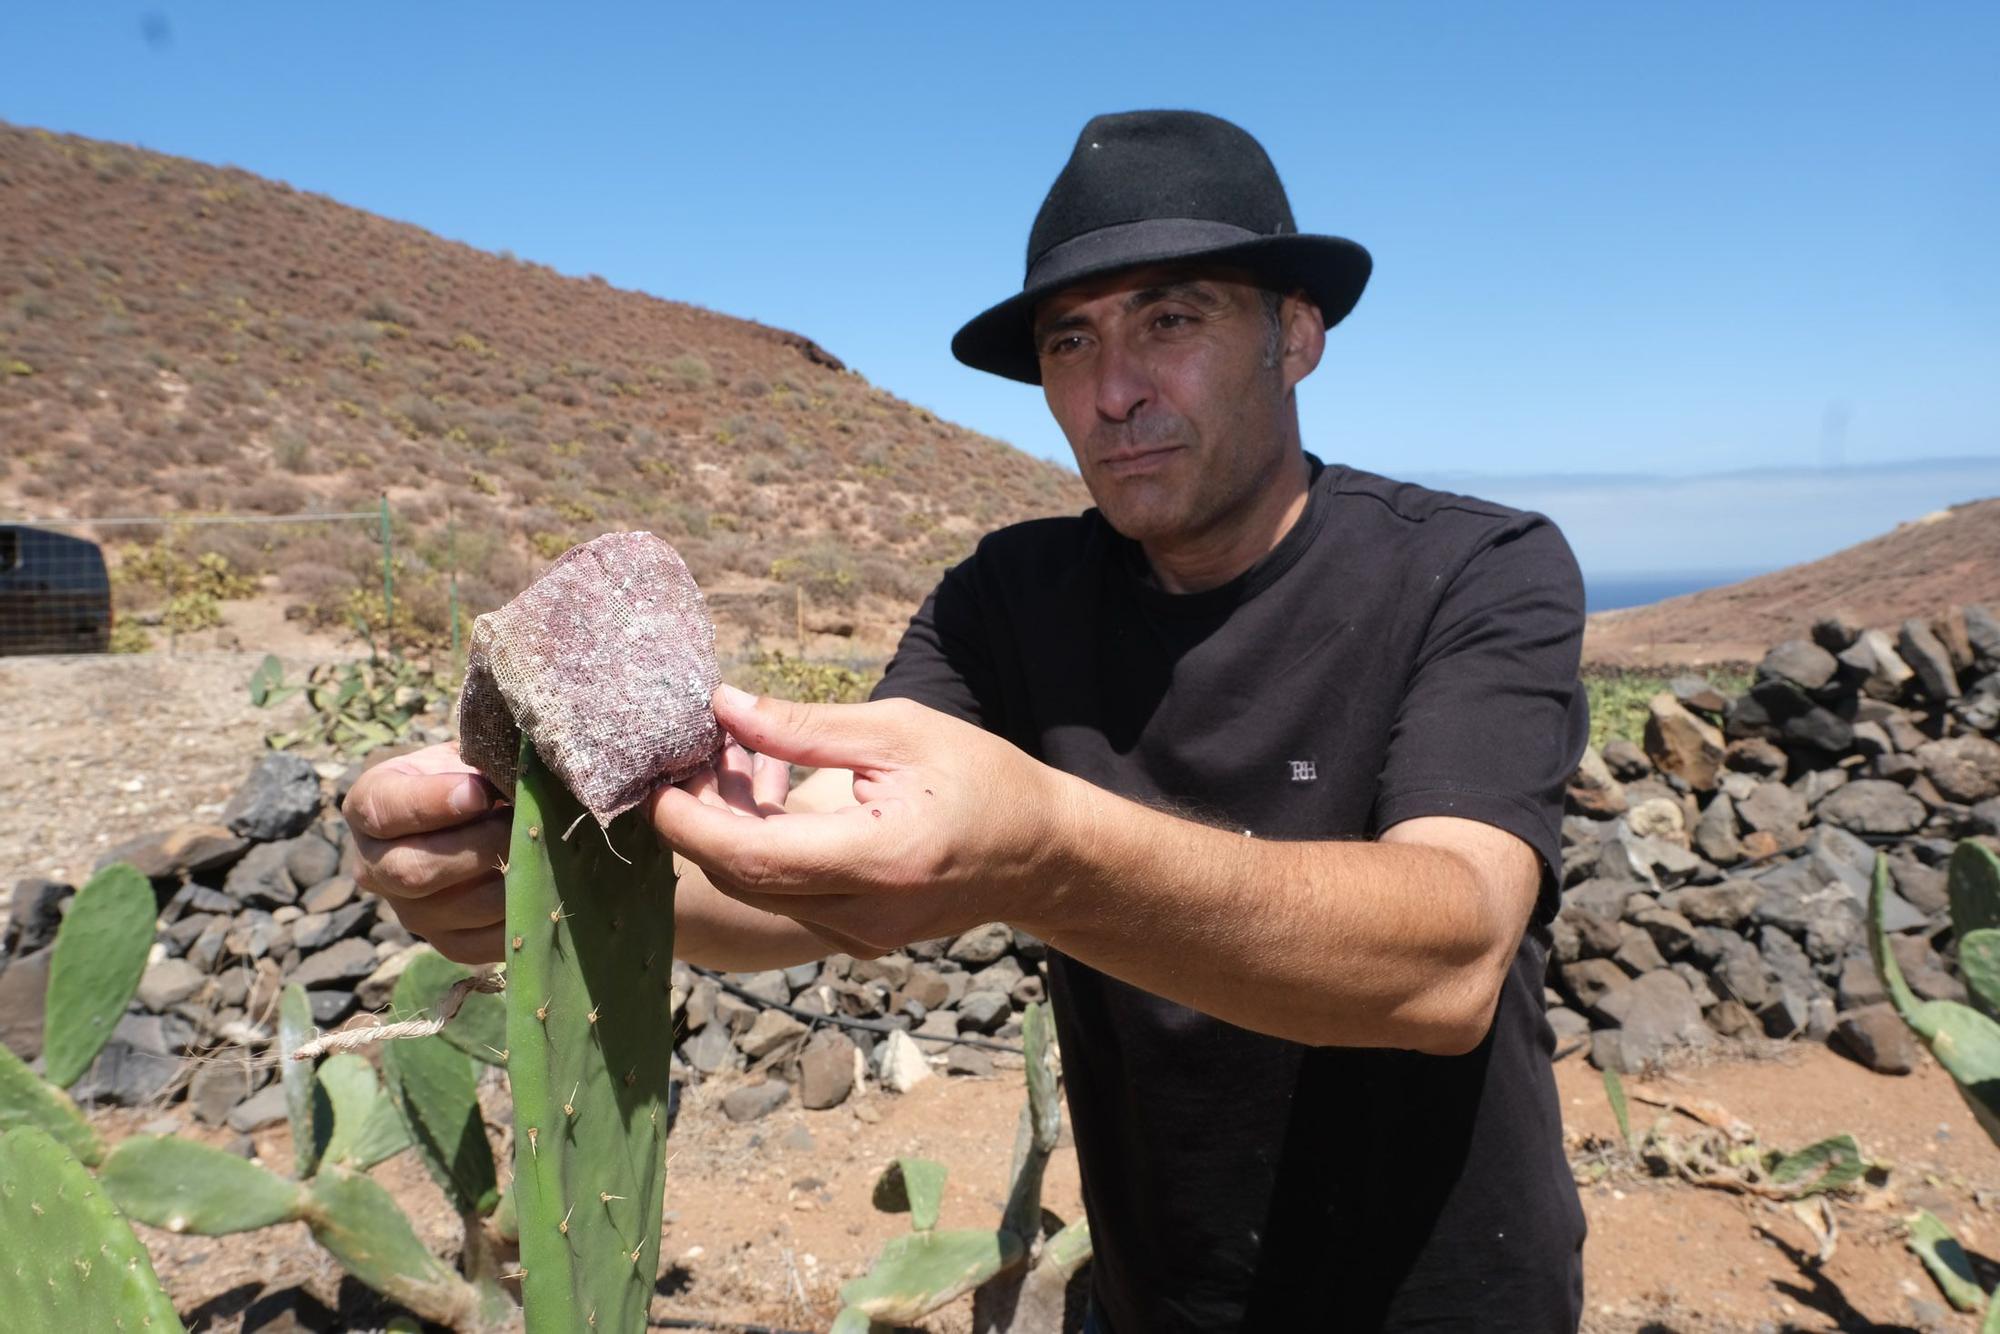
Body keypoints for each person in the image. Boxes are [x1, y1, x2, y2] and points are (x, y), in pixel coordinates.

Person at [346, 110, 1590, 1331]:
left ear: (1296, 336)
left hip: (1443, 1297)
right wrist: (534, 862)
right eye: (1068, 341)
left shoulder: (1473, 570)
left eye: (1171, 318)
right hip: (1154, 1296)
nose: (1111, 390)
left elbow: (1450, 958)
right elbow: (807, 852)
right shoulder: (1006, 597)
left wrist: (1042, 848)